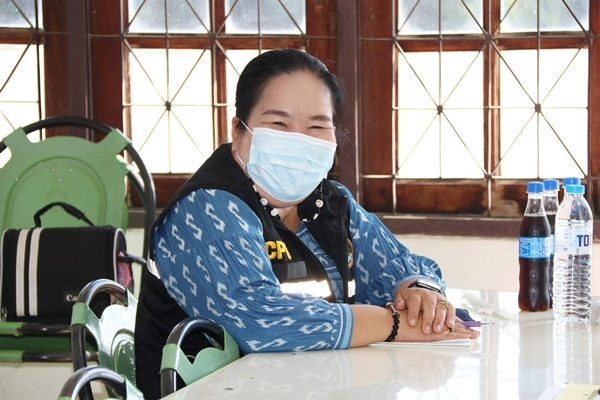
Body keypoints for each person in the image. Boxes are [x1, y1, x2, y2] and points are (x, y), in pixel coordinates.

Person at [134, 48, 479, 399]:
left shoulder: (330, 203)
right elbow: (263, 322)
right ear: (238, 129)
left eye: (316, 126)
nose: (298, 141)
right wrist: (390, 325)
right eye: (279, 124)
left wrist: (420, 292)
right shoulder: (206, 208)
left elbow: (397, 265)